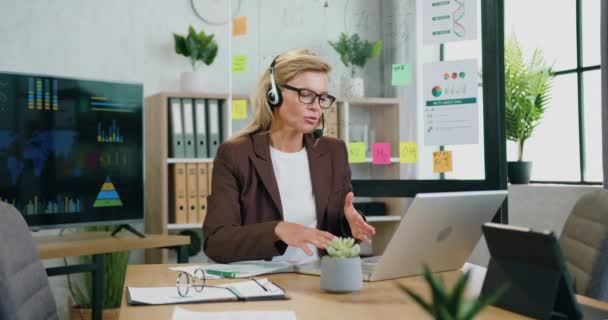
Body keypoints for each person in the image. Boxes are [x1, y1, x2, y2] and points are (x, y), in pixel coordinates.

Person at [203, 49, 375, 263]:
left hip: (318, 281)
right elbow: (217, 243)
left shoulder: (333, 152)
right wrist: (278, 230)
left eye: (322, 97)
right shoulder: (235, 155)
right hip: (261, 284)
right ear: (273, 95)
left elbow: (332, 237)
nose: (316, 107)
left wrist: (350, 226)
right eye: (306, 94)